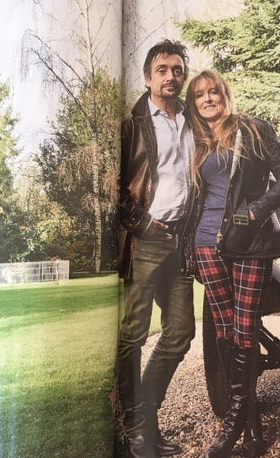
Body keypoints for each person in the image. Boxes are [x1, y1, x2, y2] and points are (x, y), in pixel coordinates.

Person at [184, 70, 280, 458]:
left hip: (250, 243)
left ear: (225, 94)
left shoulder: (254, 129)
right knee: (225, 333)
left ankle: (233, 425)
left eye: (213, 92)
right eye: (199, 95)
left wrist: (254, 212)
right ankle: (251, 428)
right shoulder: (198, 142)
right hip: (207, 244)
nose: (207, 99)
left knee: (245, 329)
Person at [117, 39, 195, 458]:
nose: (170, 76)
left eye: (177, 69)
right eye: (162, 69)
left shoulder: (192, 120)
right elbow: (113, 186)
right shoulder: (132, 125)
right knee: (133, 335)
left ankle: (145, 419)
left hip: (182, 240)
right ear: (148, 78)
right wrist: (143, 223)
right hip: (147, 239)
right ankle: (134, 429)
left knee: (180, 332)